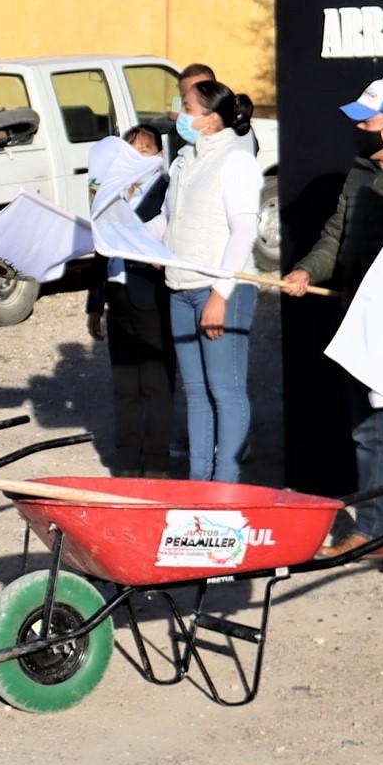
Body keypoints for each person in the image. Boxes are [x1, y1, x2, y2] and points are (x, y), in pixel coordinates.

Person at [283, 79, 383, 573]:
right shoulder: (359, 172)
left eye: (368, 120)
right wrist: (308, 269)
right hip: (358, 321)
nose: (358, 128)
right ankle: (372, 530)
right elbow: (336, 234)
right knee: (366, 432)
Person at [164, 78, 263, 482]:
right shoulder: (183, 160)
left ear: (212, 120)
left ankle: (225, 484)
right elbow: (170, 221)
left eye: (187, 107)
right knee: (195, 393)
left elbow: (244, 230)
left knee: (226, 391)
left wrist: (221, 294)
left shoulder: (236, 160)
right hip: (180, 288)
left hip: (220, 290)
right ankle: (197, 481)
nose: (179, 114)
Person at [85, 127, 176, 476]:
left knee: (155, 382)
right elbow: (99, 247)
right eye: (131, 151)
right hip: (118, 294)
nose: (139, 157)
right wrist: (95, 304)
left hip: (151, 295)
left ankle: (155, 460)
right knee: (125, 385)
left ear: (158, 154)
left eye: (146, 150)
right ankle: (125, 458)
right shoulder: (109, 192)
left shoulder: (166, 189)